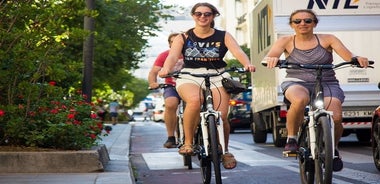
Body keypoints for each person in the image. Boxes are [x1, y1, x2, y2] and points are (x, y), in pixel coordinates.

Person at [263, 9, 369, 172]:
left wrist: (357, 58)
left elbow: (348, 55)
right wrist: (272, 59)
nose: (302, 24)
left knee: (337, 116)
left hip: (327, 82)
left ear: (315, 23)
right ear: (292, 25)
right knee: (299, 100)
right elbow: (271, 55)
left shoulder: (328, 39)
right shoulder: (285, 40)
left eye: (307, 21)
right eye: (297, 21)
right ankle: (291, 139)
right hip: (296, 82)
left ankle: (332, 149)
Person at [158, 2, 256, 170]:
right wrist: (166, 69)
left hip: (218, 75)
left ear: (213, 16)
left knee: (222, 116)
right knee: (195, 101)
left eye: (207, 14)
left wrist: (247, 64)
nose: (202, 17)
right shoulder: (183, 37)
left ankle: (225, 151)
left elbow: (238, 51)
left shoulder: (223, 35)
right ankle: (188, 143)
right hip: (189, 76)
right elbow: (173, 56)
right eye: (198, 14)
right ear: (193, 16)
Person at [148, 33, 183, 148]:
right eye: (173, 42)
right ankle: (171, 137)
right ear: (169, 44)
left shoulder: (191, 54)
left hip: (191, 86)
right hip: (171, 86)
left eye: (179, 41)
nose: (176, 44)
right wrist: (153, 83)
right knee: (170, 104)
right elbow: (153, 72)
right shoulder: (164, 55)